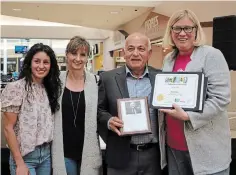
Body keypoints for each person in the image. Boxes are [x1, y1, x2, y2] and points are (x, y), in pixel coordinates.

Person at [160, 9, 231, 175]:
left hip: (206, 148)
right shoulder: (169, 59)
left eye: (187, 28)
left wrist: (189, 116)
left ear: (196, 30)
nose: (182, 33)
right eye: (176, 28)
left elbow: (221, 98)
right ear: (170, 32)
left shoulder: (212, 55)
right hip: (174, 147)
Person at [97, 32, 166, 175]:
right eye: (130, 49)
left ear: (149, 53)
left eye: (141, 49)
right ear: (123, 52)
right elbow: (98, 110)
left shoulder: (161, 77)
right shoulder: (108, 78)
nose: (135, 53)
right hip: (120, 155)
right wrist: (108, 120)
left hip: (153, 156)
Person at [1, 43, 62, 175]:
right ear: (29, 63)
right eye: (37, 61)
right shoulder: (15, 88)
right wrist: (19, 163)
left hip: (46, 156)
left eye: (46, 62)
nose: (41, 66)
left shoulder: (49, 89)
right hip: (24, 156)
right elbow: (8, 128)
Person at [51, 36, 102, 175]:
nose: (78, 59)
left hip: (88, 150)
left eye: (83, 55)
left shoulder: (96, 82)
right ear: (67, 54)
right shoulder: (56, 82)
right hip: (64, 151)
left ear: (87, 58)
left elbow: (101, 113)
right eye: (74, 53)